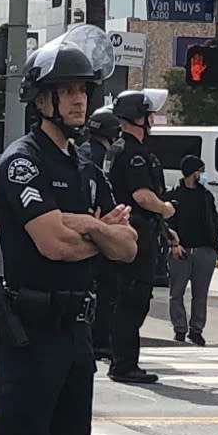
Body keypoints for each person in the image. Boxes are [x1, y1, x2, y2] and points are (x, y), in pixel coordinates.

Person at [0, 30, 138, 435]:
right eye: (67, 91)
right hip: (31, 328)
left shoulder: (86, 165)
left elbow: (128, 246)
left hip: (77, 331)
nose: (78, 100)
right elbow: (54, 244)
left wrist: (87, 225)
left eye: (83, 90)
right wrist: (97, 231)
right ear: (41, 99)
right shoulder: (23, 163)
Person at [107, 88, 176, 384]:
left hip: (129, 229)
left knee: (128, 299)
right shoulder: (135, 154)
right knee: (134, 300)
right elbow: (142, 196)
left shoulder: (118, 149)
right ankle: (124, 364)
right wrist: (166, 209)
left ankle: (122, 360)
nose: (152, 120)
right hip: (136, 233)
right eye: (149, 115)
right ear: (138, 118)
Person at [78, 107, 121, 360]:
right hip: (96, 233)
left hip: (86, 229)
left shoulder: (82, 152)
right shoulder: (100, 158)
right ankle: (100, 341)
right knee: (105, 293)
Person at [164, 155, 218, 346]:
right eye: (200, 171)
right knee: (176, 292)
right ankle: (179, 329)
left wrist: (214, 247)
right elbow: (168, 222)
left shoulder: (206, 195)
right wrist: (173, 244)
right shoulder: (174, 195)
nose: (202, 175)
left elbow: (213, 220)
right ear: (192, 172)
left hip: (205, 250)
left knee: (200, 293)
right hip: (181, 249)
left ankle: (197, 329)